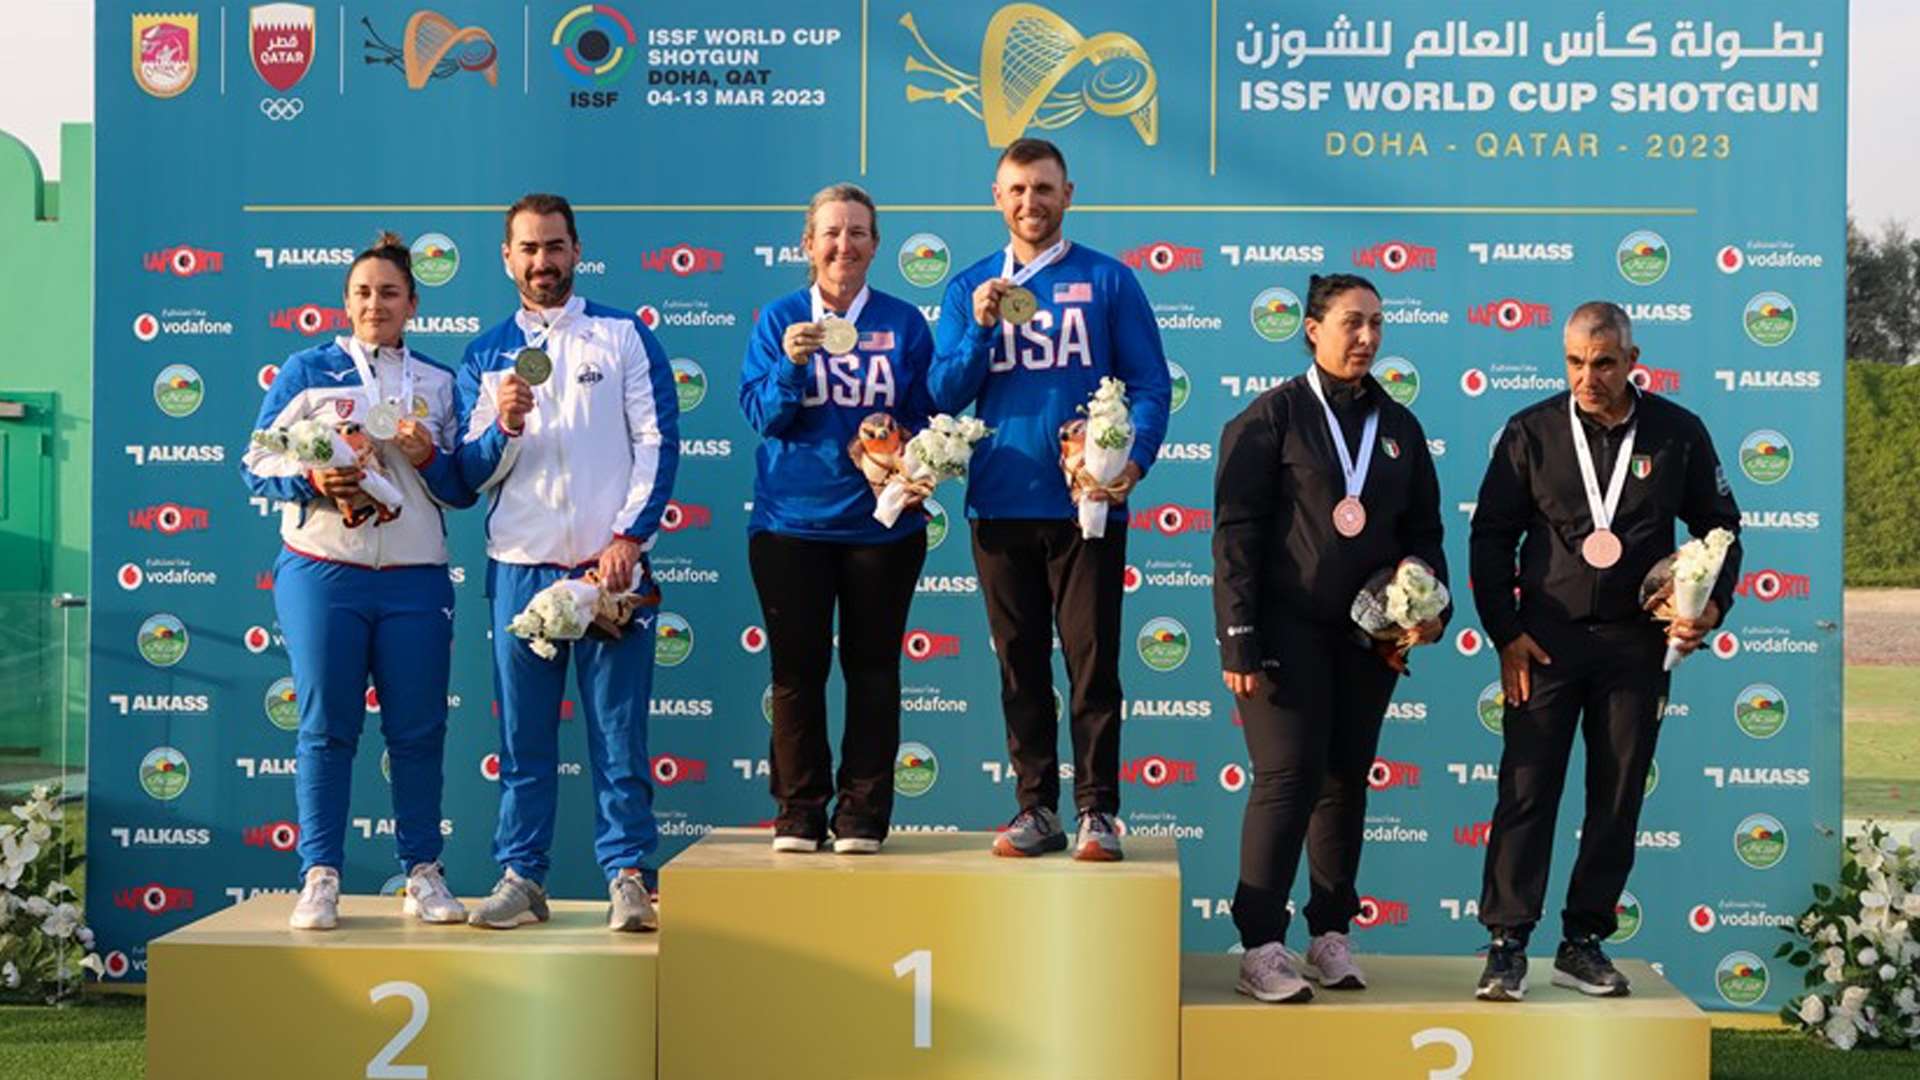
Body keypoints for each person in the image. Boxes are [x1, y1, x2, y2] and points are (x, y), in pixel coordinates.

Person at [1469, 301, 1742, 1001]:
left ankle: (1583, 941)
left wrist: (1710, 605)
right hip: (1546, 643)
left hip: (1636, 645)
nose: (1587, 377)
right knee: (1527, 791)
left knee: (1616, 796)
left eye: (1603, 363)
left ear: (1632, 359)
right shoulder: (1531, 430)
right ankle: (1506, 944)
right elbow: (1491, 536)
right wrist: (1506, 633)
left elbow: (1720, 527)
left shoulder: (1678, 433)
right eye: (1574, 362)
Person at [928, 138, 1170, 862]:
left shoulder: (1108, 281)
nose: (1030, 202)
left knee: (1092, 664)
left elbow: (1151, 385)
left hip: (1087, 507)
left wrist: (1134, 461)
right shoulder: (970, 285)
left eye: (1043, 189)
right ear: (995, 200)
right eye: (1016, 191)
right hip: (1000, 503)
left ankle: (1098, 811)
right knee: (1020, 666)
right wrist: (976, 327)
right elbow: (942, 393)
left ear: (1069, 194)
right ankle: (1036, 808)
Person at [1211, 273, 1448, 1003]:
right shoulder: (1267, 420)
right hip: (1284, 627)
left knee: (1346, 776)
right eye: (1352, 322)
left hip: (1368, 637)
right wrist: (1238, 637)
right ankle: (1260, 943)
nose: (1367, 338)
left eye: (1377, 323)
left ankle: (1330, 932)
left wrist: (1427, 606)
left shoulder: (1400, 428)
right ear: (1311, 329)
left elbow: (1426, 535)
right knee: (1289, 775)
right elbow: (1236, 539)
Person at [455, 193, 679, 931]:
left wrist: (629, 538)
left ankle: (629, 877)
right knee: (523, 740)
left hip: (609, 568)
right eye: (527, 248)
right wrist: (506, 425)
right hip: (520, 566)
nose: (542, 262)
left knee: (620, 737)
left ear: (576, 250)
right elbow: (470, 472)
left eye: (554, 247)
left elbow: (655, 440)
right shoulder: (485, 355)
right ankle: (523, 877)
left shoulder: (623, 335)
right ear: (506, 257)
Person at [242, 232, 475, 931]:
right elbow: (254, 463)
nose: (377, 303)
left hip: (413, 578)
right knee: (325, 728)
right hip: (323, 572)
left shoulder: (437, 382)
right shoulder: (307, 370)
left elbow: (462, 485)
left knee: (418, 730)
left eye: (391, 292)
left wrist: (426, 453)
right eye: (364, 292)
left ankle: (423, 872)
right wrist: (315, 477)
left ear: (414, 302)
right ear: (345, 302)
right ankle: (321, 876)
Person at [739, 183, 938, 855]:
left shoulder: (905, 323)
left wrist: (895, 436)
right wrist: (792, 367)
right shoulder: (779, 319)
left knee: (873, 668)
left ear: (875, 246)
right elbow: (763, 417)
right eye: (830, 232)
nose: (843, 244)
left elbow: (925, 413)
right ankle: (798, 811)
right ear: (808, 244)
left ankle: (861, 815)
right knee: (796, 673)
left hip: (881, 526)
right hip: (790, 525)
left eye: (857, 233)